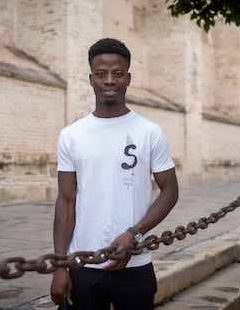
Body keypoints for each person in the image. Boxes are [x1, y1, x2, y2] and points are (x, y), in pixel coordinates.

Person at [50, 38, 179, 310]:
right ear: (91, 78)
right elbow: (66, 201)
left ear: (128, 78)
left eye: (117, 73)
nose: (110, 80)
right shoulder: (71, 135)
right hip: (83, 262)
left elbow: (170, 190)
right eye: (102, 74)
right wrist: (61, 266)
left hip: (135, 263)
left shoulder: (149, 131)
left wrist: (135, 232)